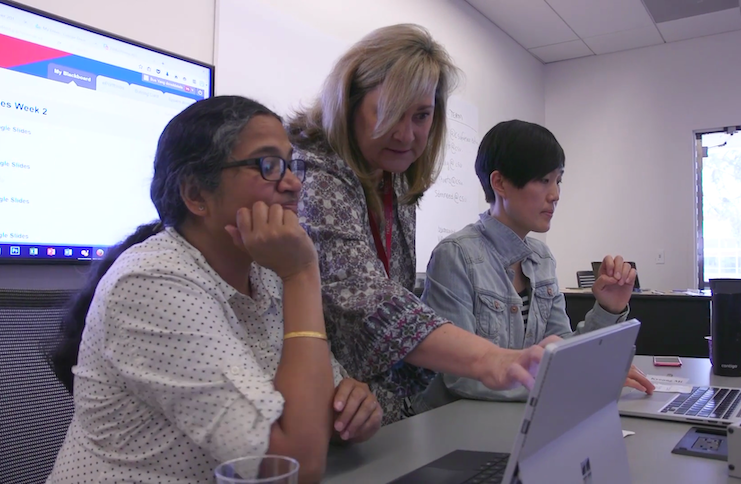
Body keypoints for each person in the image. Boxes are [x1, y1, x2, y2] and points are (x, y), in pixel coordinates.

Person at [46, 96, 380, 484]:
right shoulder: (150, 284)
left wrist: (351, 407)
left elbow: (321, 406)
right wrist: (304, 274)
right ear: (196, 196)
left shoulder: (266, 273)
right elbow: (293, 465)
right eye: (268, 165)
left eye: (291, 164)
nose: (293, 183)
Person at [287, 24, 554, 425]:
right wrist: (491, 360)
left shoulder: (393, 178)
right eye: (388, 111)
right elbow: (366, 301)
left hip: (373, 415)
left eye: (421, 115)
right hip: (321, 410)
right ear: (349, 101)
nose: (405, 134)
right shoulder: (317, 172)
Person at [415, 119, 655, 410]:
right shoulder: (456, 255)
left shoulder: (541, 258)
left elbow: (562, 351)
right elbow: (460, 376)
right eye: (543, 180)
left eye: (558, 180)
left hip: (520, 418)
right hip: (457, 426)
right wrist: (573, 381)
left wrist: (608, 308)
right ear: (500, 183)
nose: (555, 194)